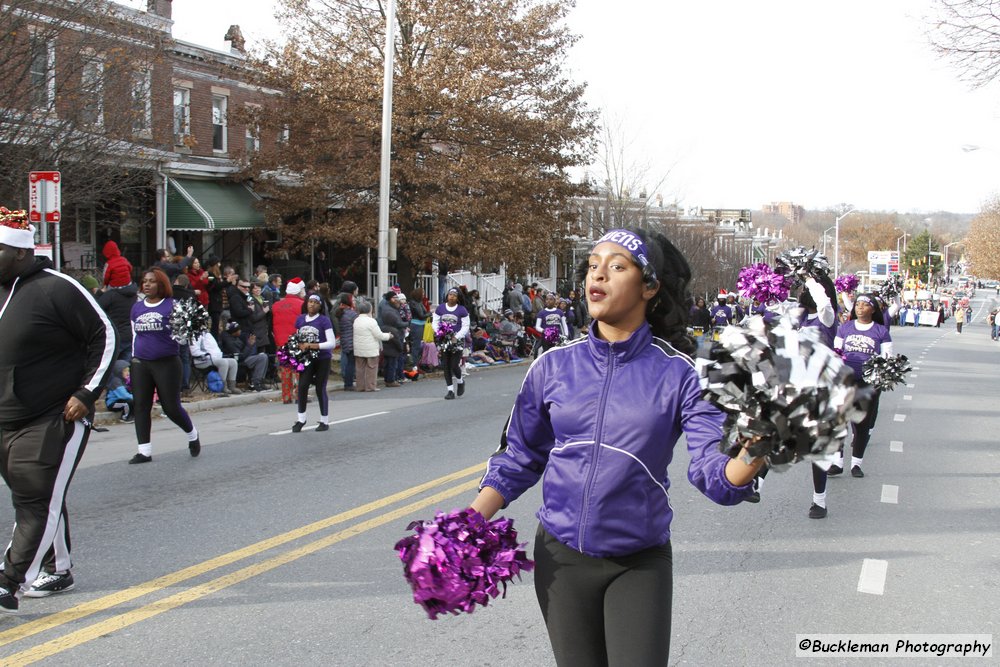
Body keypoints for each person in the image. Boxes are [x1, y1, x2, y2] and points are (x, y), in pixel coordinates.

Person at [468, 227, 762, 664]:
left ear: (650, 286)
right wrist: (465, 527)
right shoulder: (552, 366)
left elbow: (712, 472)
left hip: (638, 563)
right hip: (560, 559)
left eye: (617, 266)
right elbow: (518, 458)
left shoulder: (681, 374)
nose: (597, 276)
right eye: (593, 266)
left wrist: (759, 448)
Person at [0, 211, 117, 610]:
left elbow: (105, 335)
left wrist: (87, 392)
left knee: (34, 502)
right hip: (4, 416)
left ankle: (9, 581)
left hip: (52, 415)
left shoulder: (58, 288)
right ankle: (59, 568)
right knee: (37, 495)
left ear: (19, 253)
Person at [128, 268, 201, 464]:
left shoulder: (173, 305)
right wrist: (133, 359)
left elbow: (184, 337)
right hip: (141, 363)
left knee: (171, 408)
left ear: (161, 284)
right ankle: (144, 451)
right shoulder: (136, 308)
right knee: (141, 406)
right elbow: (135, 334)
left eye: (151, 281)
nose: (147, 284)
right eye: (144, 281)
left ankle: (192, 435)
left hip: (167, 363)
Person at [830, 294, 893, 478]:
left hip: (868, 383)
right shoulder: (845, 328)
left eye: (865, 305)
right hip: (846, 381)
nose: (860, 308)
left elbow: (887, 357)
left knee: (862, 424)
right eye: (858, 304)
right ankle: (837, 462)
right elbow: (837, 351)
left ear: (873, 309)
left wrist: (878, 374)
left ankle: (856, 463)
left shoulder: (881, 331)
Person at [291, 294, 336, 433]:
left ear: (320, 306)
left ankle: (324, 420)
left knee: (319, 388)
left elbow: (332, 343)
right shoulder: (300, 319)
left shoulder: (324, 321)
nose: (312, 304)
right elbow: (298, 337)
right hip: (307, 358)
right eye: (310, 302)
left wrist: (313, 345)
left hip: (322, 358)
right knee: (303, 386)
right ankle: (301, 419)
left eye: (316, 302)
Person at [433, 288, 471, 399]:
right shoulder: (440, 308)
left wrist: (457, 336)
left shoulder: (462, 310)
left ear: (458, 297)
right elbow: (435, 322)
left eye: (454, 295)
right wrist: (439, 332)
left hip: (456, 340)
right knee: (446, 365)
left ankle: (460, 381)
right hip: (444, 339)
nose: (452, 297)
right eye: (450, 294)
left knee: (454, 365)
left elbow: (465, 326)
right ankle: (450, 390)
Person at [273, 277, 305, 404]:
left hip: (281, 342)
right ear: (298, 291)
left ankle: (286, 396)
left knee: (285, 369)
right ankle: (299, 395)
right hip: (297, 341)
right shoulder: (302, 305)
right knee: (299, 369)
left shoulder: (276, 306)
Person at [353, 299, 392, 392]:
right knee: (372, 367)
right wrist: (389, 336)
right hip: (370, 349)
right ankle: (370, 386)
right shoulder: (372, 321)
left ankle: (360, 386)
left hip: (359, 348)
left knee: (360, 368)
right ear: (369, 310)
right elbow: (379, 335)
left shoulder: (356, 321)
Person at [220, 321, 268, 392]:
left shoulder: (236, 338)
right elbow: (240, 356)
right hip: (239, 361)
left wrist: (249, 346)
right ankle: (256, 383)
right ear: (234, 332)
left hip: (245, 357)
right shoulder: (230, 342)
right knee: (262, 358)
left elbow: (243, 350)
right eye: (238, 330)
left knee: (263, 355)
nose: (240, 331)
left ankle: (260, 381)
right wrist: (249, 345)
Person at [189, 330, 235, 396]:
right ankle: (221, 387)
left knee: (233, 362)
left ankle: (232, 387)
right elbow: (194, 351)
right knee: (223, 362)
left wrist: (216, 356)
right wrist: (208, 356)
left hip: (213, 359)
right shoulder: (194, 335)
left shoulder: (207, 334)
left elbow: (215, 349)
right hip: (201, 361)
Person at [378, 291, 406, 388]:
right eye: (395, 297)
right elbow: (397, 340)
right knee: (392, 364)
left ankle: (388, 379)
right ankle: (390, 380)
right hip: (393, 348)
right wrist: (400, 348)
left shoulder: (392, 308)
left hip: (388, 346)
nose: (397, 299)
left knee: (388, 362)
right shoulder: (388, 310)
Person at [334, 293, 358, 391]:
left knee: (348, 361)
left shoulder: (341, 313)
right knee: (351, 364)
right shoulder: (352, 314)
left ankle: (347, 382)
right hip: (351, 340)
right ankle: (348, 383)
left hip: (344, 340)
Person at [407, 288, 429, 371]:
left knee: (419, 345)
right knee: (416, 346)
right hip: (416, 325)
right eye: (422, 293)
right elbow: (421, 315)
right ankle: (414, 366)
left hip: (421, 325)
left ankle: (416, 364)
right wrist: (429, 313)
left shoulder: (419, 303)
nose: (423, 295)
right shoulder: (413, 303)